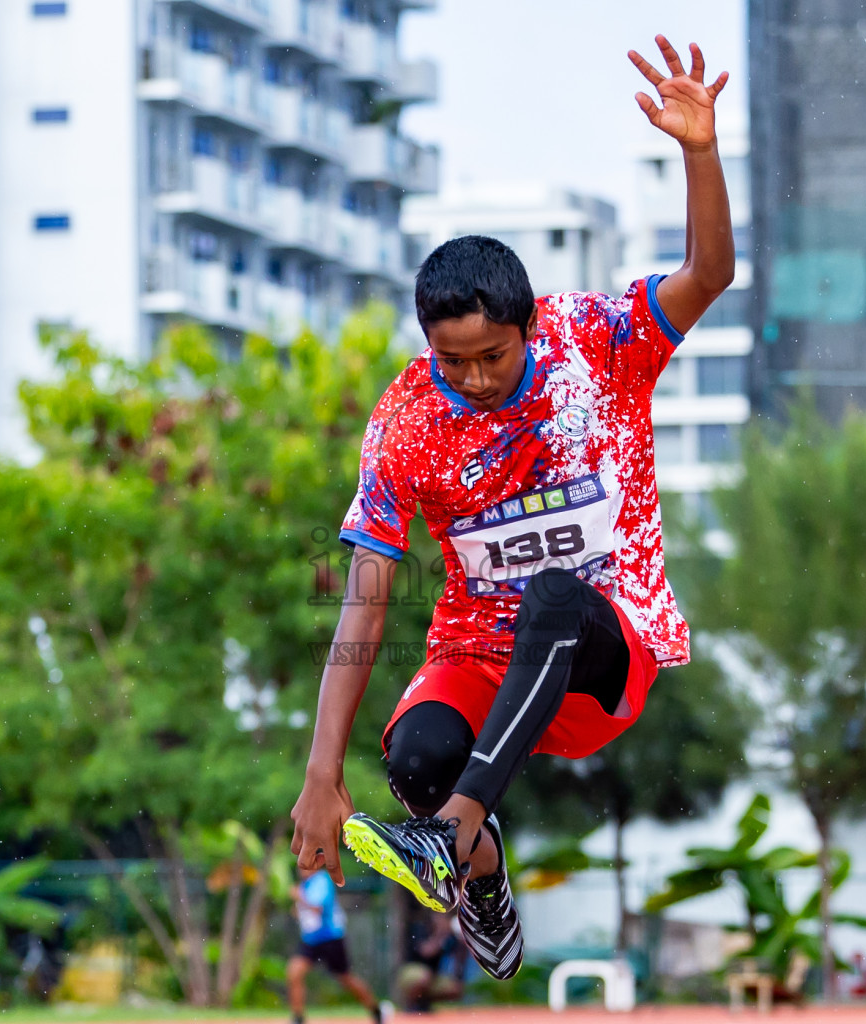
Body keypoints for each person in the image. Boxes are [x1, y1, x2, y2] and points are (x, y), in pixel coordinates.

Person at [290, 33, 736, 982]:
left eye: (491, 356)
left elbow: (708, 276)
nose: (474, 378)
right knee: (415, 756)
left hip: (600, 651)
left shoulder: (597, 344)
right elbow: (366, 592)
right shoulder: (408, 420)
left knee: (554, 593)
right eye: (452, 361)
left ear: (527, 326)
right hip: (477, 658)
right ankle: (480, 880)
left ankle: (449, 837)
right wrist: (321, 775)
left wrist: (698, 150)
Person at [287, 866, 387, 1024]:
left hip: (330, 937)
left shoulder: (321, 880)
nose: (301, 868)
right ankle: (298, 1018)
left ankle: (376, 1009)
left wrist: (298, 896)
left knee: (346, 978)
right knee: (294, 972)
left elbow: (317, 907)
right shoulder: (306, 883)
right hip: (311, 939)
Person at [397, 912, 464, 1013]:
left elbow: (459, 958)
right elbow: (426, 952)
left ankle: (424, 1003)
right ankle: (411, 1005)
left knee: (455, 988)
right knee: (425, 976)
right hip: (411, 971)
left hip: (433, 976)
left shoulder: (449, 936)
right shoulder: (420, 928)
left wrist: (463, 941)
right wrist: (440, 934)